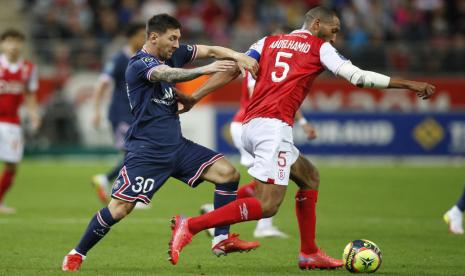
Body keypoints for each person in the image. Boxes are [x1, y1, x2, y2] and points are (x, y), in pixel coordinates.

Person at [168, 6, 435, 270]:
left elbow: (233, 69)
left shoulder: (268, 41)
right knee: (268, 205)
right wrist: (409, 84)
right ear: (317, 24)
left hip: (252, 124)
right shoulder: (320, 47)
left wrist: (195, 96)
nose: (334, 37)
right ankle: (190, 225)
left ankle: (309, 252)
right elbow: (358, 77)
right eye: (334, 30)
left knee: (309, 176)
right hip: (273, 129)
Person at [61, 13, 260, 271]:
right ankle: (77, 253)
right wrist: (206, 70)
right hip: (147, 151)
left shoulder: (172, 52)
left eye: (178, 38)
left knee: (228, 174)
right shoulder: (139, 63)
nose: (177, 44)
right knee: (119, 209)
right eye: (173, 38)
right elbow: (168, 75)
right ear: (154, 37)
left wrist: (237, 56)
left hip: (177, 147)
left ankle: (221, 239)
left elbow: (210, 48)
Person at [200, 70, 317, 239]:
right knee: (270, 179)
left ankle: (217, 210)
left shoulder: (272, 59)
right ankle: (241, 221)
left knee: (269, 179)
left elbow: (286, 99)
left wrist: (303, 122)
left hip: (255, 125)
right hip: (254, 126)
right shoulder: (260, 62)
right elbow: (257, 94)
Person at [91, 23, 146, 206]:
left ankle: (107, 180)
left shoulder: (142, 58)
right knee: (134, 153)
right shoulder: (119, 59)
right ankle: (128, 195)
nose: (143, 40)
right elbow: (102, 83)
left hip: (135, 115)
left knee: (137, 153)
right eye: (140, 35)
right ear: (131, 37)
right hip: (121, 114)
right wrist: (96, 110)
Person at [0, 29, 41, 214]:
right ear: (2, 44)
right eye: (9, 41)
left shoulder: (28, 68)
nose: (13, 45)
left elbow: (30, 95)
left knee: (12, 165)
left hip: (12, 122)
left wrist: (34, 114)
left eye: (17, 41)